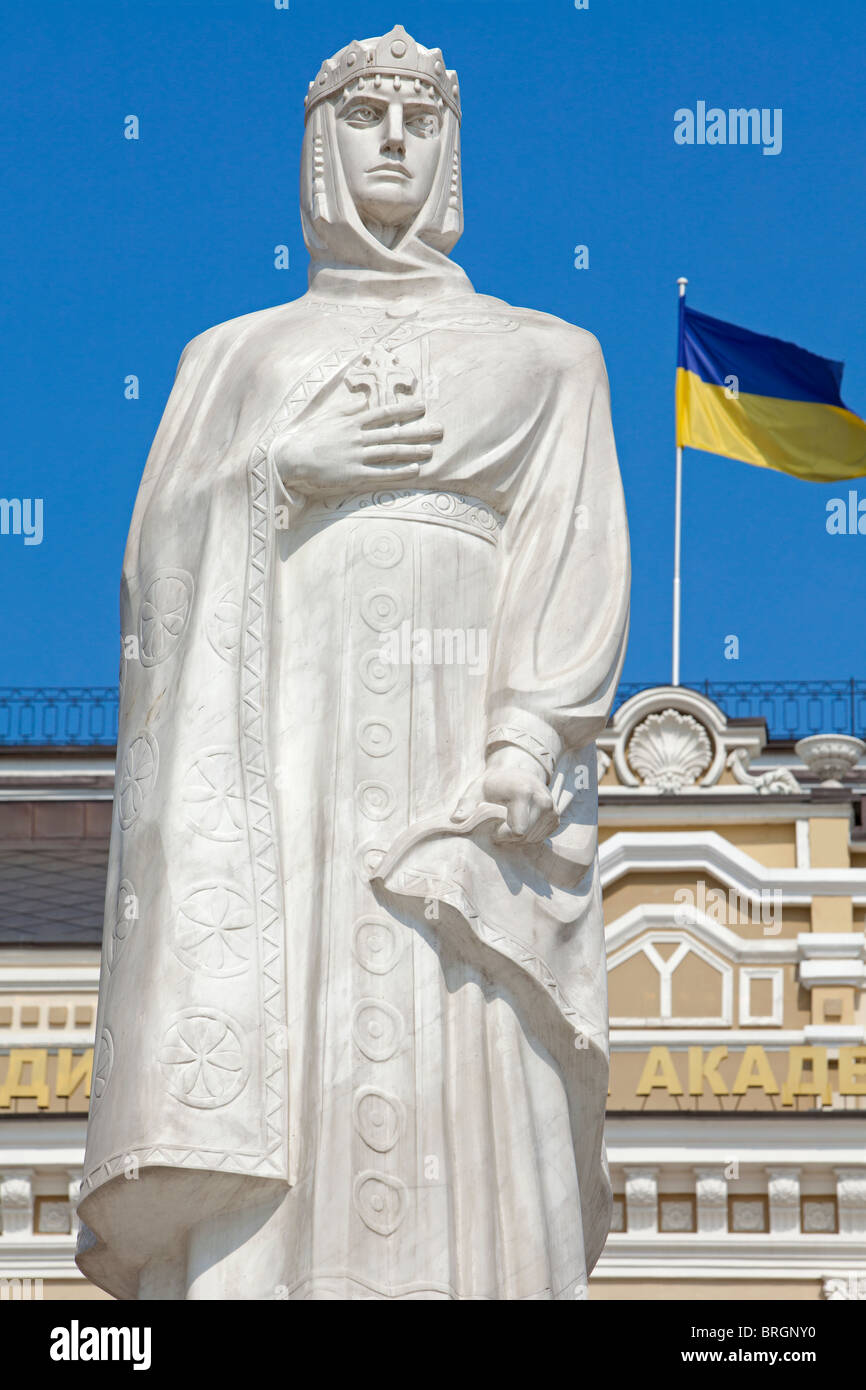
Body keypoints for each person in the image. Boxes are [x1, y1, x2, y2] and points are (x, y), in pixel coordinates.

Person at [77, 25, 630, 1301]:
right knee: (305, 1019)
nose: (393, 139)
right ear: (320, 149)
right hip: (284, 761)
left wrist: (524, 739)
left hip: (458, 764)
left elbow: (569, 548)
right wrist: (279, 473)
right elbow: (156, 566)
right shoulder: (233, 356)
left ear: (449, 151)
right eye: (365, 116)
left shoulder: (547, 355)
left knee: (459, 1020)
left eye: (419, 120)